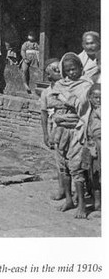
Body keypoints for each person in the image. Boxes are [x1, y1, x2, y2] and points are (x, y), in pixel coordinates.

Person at [51, 52, 93, 218]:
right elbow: (52, 102)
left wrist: (65, 100)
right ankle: (69, 199)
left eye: (74, 69)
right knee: (63, 167)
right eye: (67, 70)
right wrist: (66, 102)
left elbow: (82, 105)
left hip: (76, 130)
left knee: (76, 167)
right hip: (60, 131)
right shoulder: (60, 84)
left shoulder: (86, 85)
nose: (71, 73)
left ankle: (82, 205)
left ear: (81, 68)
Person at [39, 59, 64, 200]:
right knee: (60, 161)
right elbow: (43, 114)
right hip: (55, 129)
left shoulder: (69, 88)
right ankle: (62, 190)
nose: (59, 72)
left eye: (60, 69)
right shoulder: (46, 93)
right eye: (55, 71)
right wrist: (46, 134)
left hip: (72, 128)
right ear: (49, 76)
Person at [84, 83, 101, 215]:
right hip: (92, 144)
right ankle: (97, 203)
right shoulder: (89, 111)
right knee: (93, 174)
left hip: (101, 144)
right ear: (90, 97)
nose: (99, 100)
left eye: (101, 97)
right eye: (96, 97)